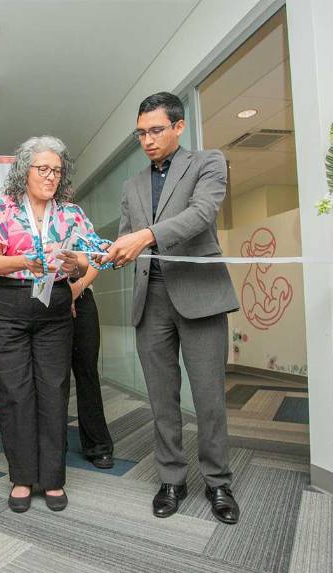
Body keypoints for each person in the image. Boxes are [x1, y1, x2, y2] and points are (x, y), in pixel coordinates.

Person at [103, 92, 241, 524]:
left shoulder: (208, 163)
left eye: (156, 130)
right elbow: (128, 242)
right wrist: (101, 255)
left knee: (208, 399)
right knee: (162, 399)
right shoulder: (131, 186)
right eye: (141, 133)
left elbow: (201, 215)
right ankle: (172, 479)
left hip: (200, 296)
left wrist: (144, 236)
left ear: (179, 127)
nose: (147, 139)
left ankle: (218, 482)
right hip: (152, 300)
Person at [0, 135, 91, 513]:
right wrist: (26, 262)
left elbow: (86, 262)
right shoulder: (2, 207)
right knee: (15, 391)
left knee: (54, 388)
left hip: (55, 304)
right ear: (24, 171)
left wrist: (73, 263)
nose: (50, 176)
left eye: (57, 170)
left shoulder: (71, 213)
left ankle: (53, 479)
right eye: (42, 169)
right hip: (9, 304)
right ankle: (23, 477)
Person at [70, 266, 114, 468]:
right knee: (51, 376)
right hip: (45, 298)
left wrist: (77, 288)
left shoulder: (82, 231)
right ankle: (51, 443)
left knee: (87, 372)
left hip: (81, 296)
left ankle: (98, 445)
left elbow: (95, 261)